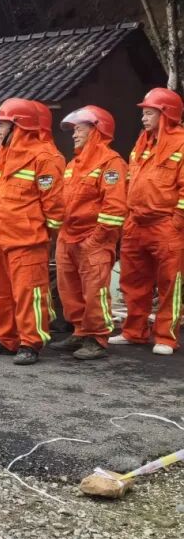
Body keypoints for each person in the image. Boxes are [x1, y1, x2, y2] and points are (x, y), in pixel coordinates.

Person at [0, 98, 65, 365]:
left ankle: (30, 342)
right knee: (0, 293)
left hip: (27, 241)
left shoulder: (45, 157)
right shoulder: (3, 156)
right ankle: (5, 338)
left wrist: (47, 238)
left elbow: (54, 205)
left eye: (4, 125)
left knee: (29, 294)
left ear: (19, 126)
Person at [49, 106, 127, 360]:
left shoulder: (111, 163)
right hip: (68, 238)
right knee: (69, 291)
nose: (74, 134)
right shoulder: (74, 164)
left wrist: (96, 239)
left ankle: (96, 337)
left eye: (79, 129)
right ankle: (80, 331)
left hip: (93, 240)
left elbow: (114, 208)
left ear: (97, 130)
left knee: (94, 292)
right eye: (73, 130)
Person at [111, 87, 184, 355]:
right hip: (136, 223)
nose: (143, 117)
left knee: (169, 284)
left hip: (166, 224)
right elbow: (131, 181)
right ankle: (134, 331)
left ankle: (166, 337)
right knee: (133, 282)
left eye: (150, 113)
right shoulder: (142, 143)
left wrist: (177, 221)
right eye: (144, 113)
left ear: (166, 114)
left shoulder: (181, 143)